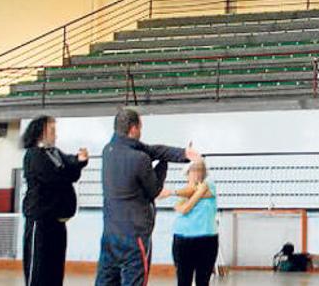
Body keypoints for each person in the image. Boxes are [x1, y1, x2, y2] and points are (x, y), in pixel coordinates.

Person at [96, 108, 199, 286]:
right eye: (140, 128)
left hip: (110, 233)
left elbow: (153, 149)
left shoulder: (108, 151)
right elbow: (155, 190)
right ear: (134, 129)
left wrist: (183, 154)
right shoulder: (140, 159)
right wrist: (163, 165)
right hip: (134, 237)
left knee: (106, 281)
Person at [21, 115, 89, 286]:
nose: (55, 135)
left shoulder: (55, 153)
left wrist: (79, 161)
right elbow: (55, 177)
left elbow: (71, 170)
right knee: (38, 270)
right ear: (41, 132)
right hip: (41, 221)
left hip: (57, 222)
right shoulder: (34, 155)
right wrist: (72, 167)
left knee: (55, 269)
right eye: (52, 131)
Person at [164, 159, 218, 286]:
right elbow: (183, 204)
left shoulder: (209, 185)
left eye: (201, 169)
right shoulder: (181, 191)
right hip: (183, 239)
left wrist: (173, 193)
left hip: (207, 238)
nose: (198, 173)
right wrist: (193, 194)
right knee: (183, 279)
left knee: (203, 280)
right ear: (187, 172)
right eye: (194, 170)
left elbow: (186, 207)